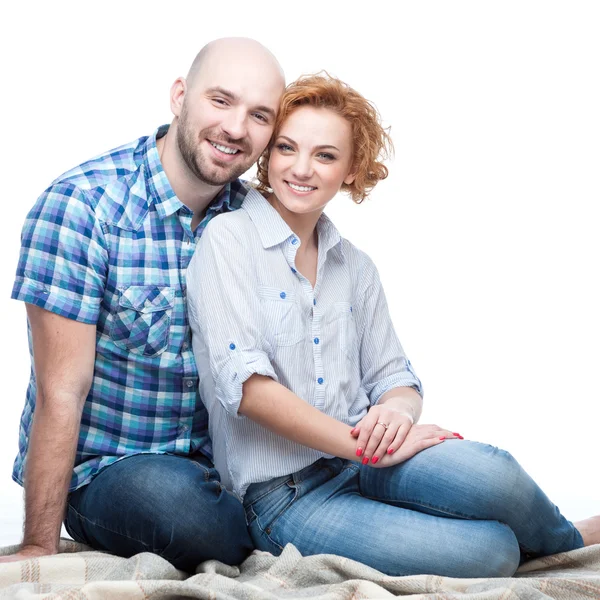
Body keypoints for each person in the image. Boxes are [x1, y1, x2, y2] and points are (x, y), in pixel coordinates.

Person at [187, 73, 600, 578]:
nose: (300, 168)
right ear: (266, 155)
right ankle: (547, 541)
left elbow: (394, 377)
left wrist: (398, 415)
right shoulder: (228, 239)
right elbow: (248, 391)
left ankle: (566, 538)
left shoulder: (353, 266)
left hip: (367, 459)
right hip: (283, 496)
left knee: (498, 474)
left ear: (352, 170)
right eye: (286, 148)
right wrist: (361, 443)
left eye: (325, 155)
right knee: (491, 552)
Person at [1, 37, 285, 571]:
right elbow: (60, 390)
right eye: (220, 101)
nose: (236, 129)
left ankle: (282, 519)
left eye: (259, 115)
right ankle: (278, 525)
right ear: (180, 96)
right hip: (113, 472)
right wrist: (39, 546)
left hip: (224, 468)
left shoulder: (255, 217)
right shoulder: (83, 207)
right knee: (178, 508)